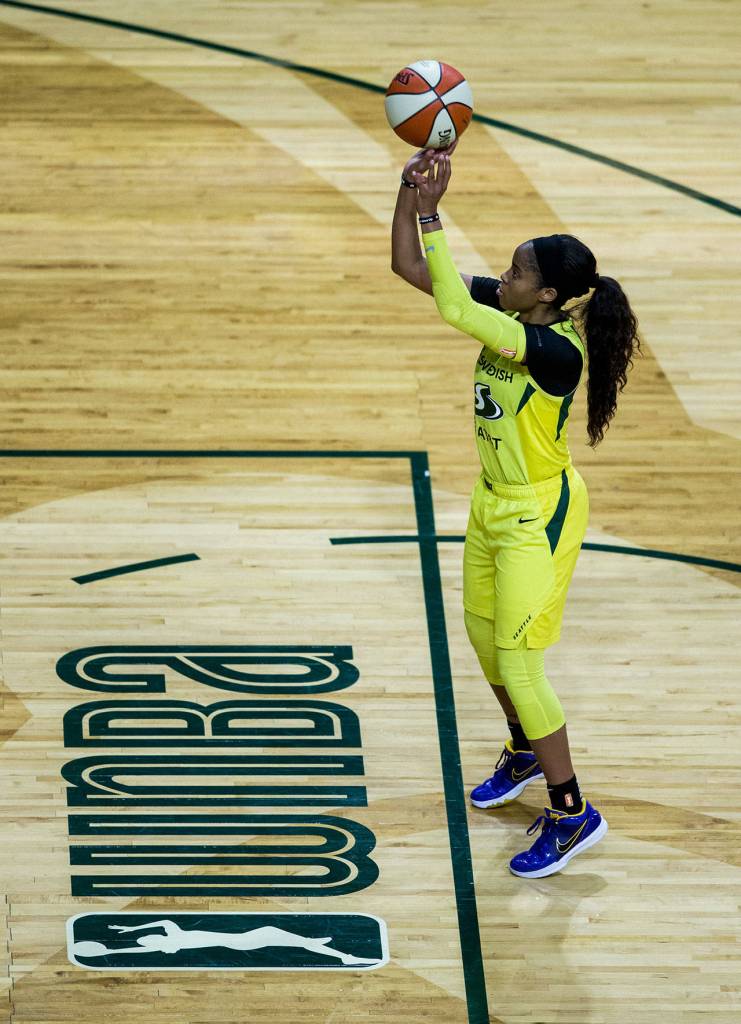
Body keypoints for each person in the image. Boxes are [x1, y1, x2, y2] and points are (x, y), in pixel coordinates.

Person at [391, 142, 640, 878]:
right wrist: (409, 195)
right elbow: (411, 269)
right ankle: (524, 747)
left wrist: (435, 212)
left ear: (546, 298)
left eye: (517, 271)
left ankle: (571, 812)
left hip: (540, 513)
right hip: (490, 502)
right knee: (478, 637)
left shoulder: (552, 351)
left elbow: (444, 300)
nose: (503, 276)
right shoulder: (510, 307)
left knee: (520, 661)